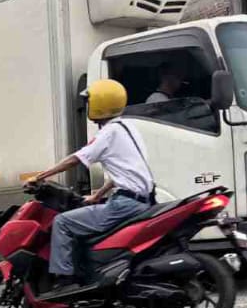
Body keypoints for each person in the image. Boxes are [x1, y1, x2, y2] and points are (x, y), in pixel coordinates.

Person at [29, 79, 155, 293]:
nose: (87, 106)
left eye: (89, 102)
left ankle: (65, 281)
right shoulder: (128, 128)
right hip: (144, 201)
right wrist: (98, 195)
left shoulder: (108, 133)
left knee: (62, 222)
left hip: (126, 204)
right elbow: (123, 173)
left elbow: (75, 159)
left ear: (99, 104)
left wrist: (40, 177)